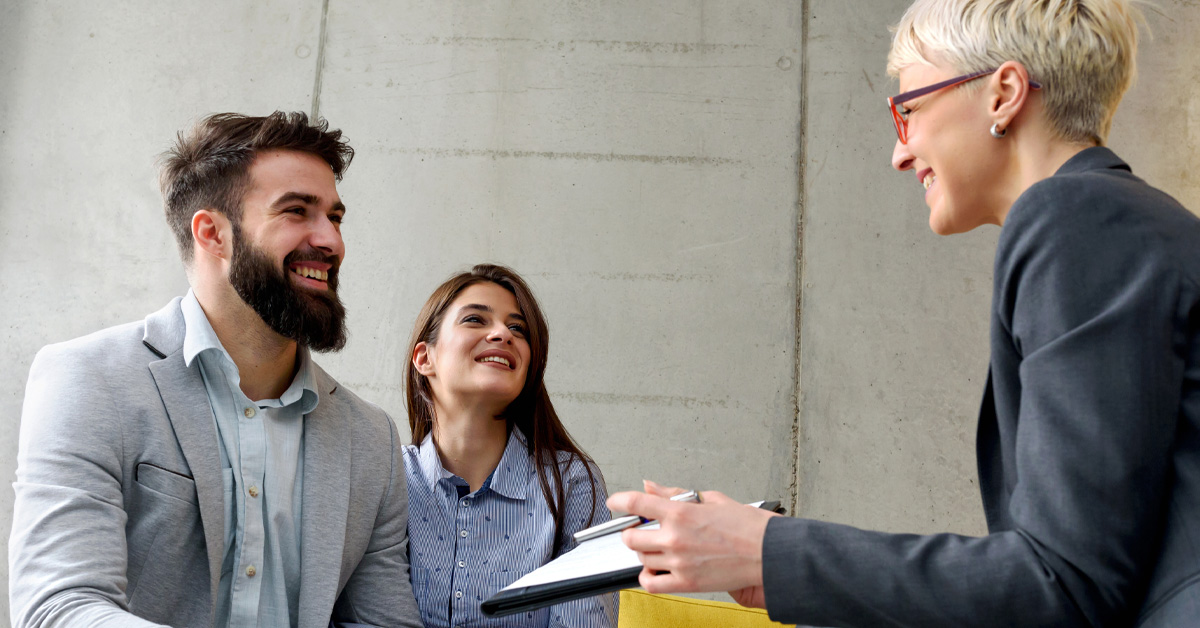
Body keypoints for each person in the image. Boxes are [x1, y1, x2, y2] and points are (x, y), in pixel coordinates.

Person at [608, 0, 1200, 625]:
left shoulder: (1075, 218)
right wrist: (766, 561)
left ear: (1003, 93)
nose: (900, 153)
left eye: (909, 110)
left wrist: (765, 550)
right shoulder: (1128, 223)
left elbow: (1063, 587)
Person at [8, 112, 423, 628]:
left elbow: (385, 622)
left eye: (335, 218)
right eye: (297, 211)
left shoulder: (370, 439)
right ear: (212, 233)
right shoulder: (90, 381)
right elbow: (58, 608)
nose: (331, 241)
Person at [402, 264, 615, 627]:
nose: (502, 333)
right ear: (425, 358)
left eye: (518, 328)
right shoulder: (387, 476)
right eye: (475, 320)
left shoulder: (572, 484)